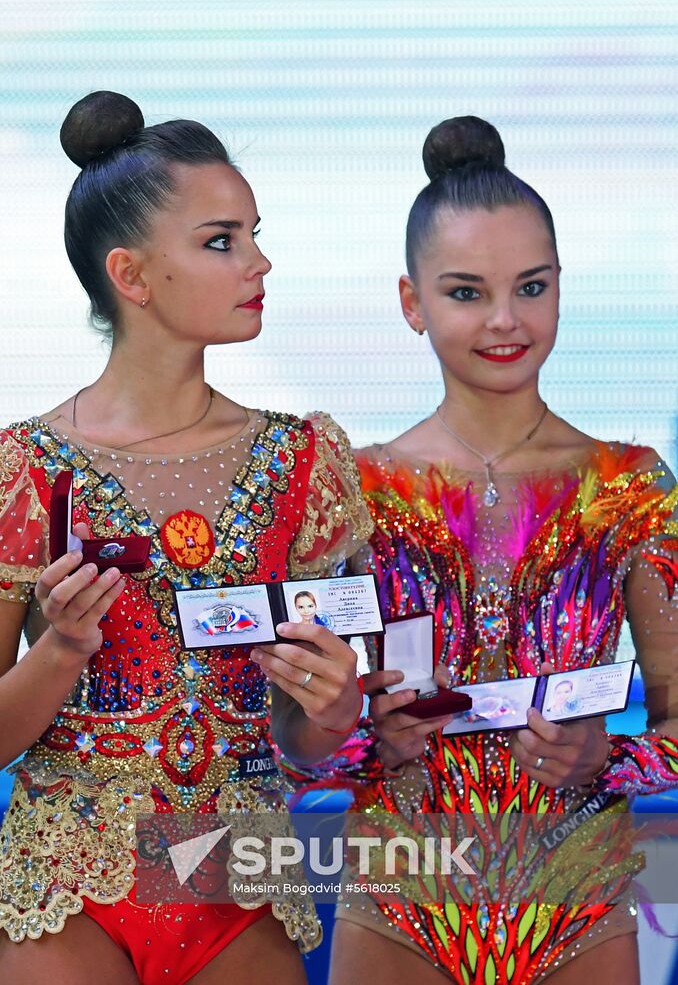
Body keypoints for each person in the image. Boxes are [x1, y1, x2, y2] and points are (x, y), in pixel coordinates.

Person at [0, 90, 372, 985]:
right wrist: (63, 648)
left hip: (243, 877)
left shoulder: (302, 460)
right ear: (130, 275)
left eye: (253, 233)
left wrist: (331, 709)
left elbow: (311, 741)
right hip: (69, 883)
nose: (260, 262)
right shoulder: (24, 469)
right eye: (222, 241)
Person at [324, 117, 678, 984]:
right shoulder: (354, 492)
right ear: (412, 302)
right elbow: (292, 737)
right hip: (399, 904)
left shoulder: (631, 485)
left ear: (560, 288)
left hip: (578, 903)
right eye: (466, 292)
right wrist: (367, 740)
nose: (506, 321)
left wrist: (610, 757)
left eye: (530, 287)